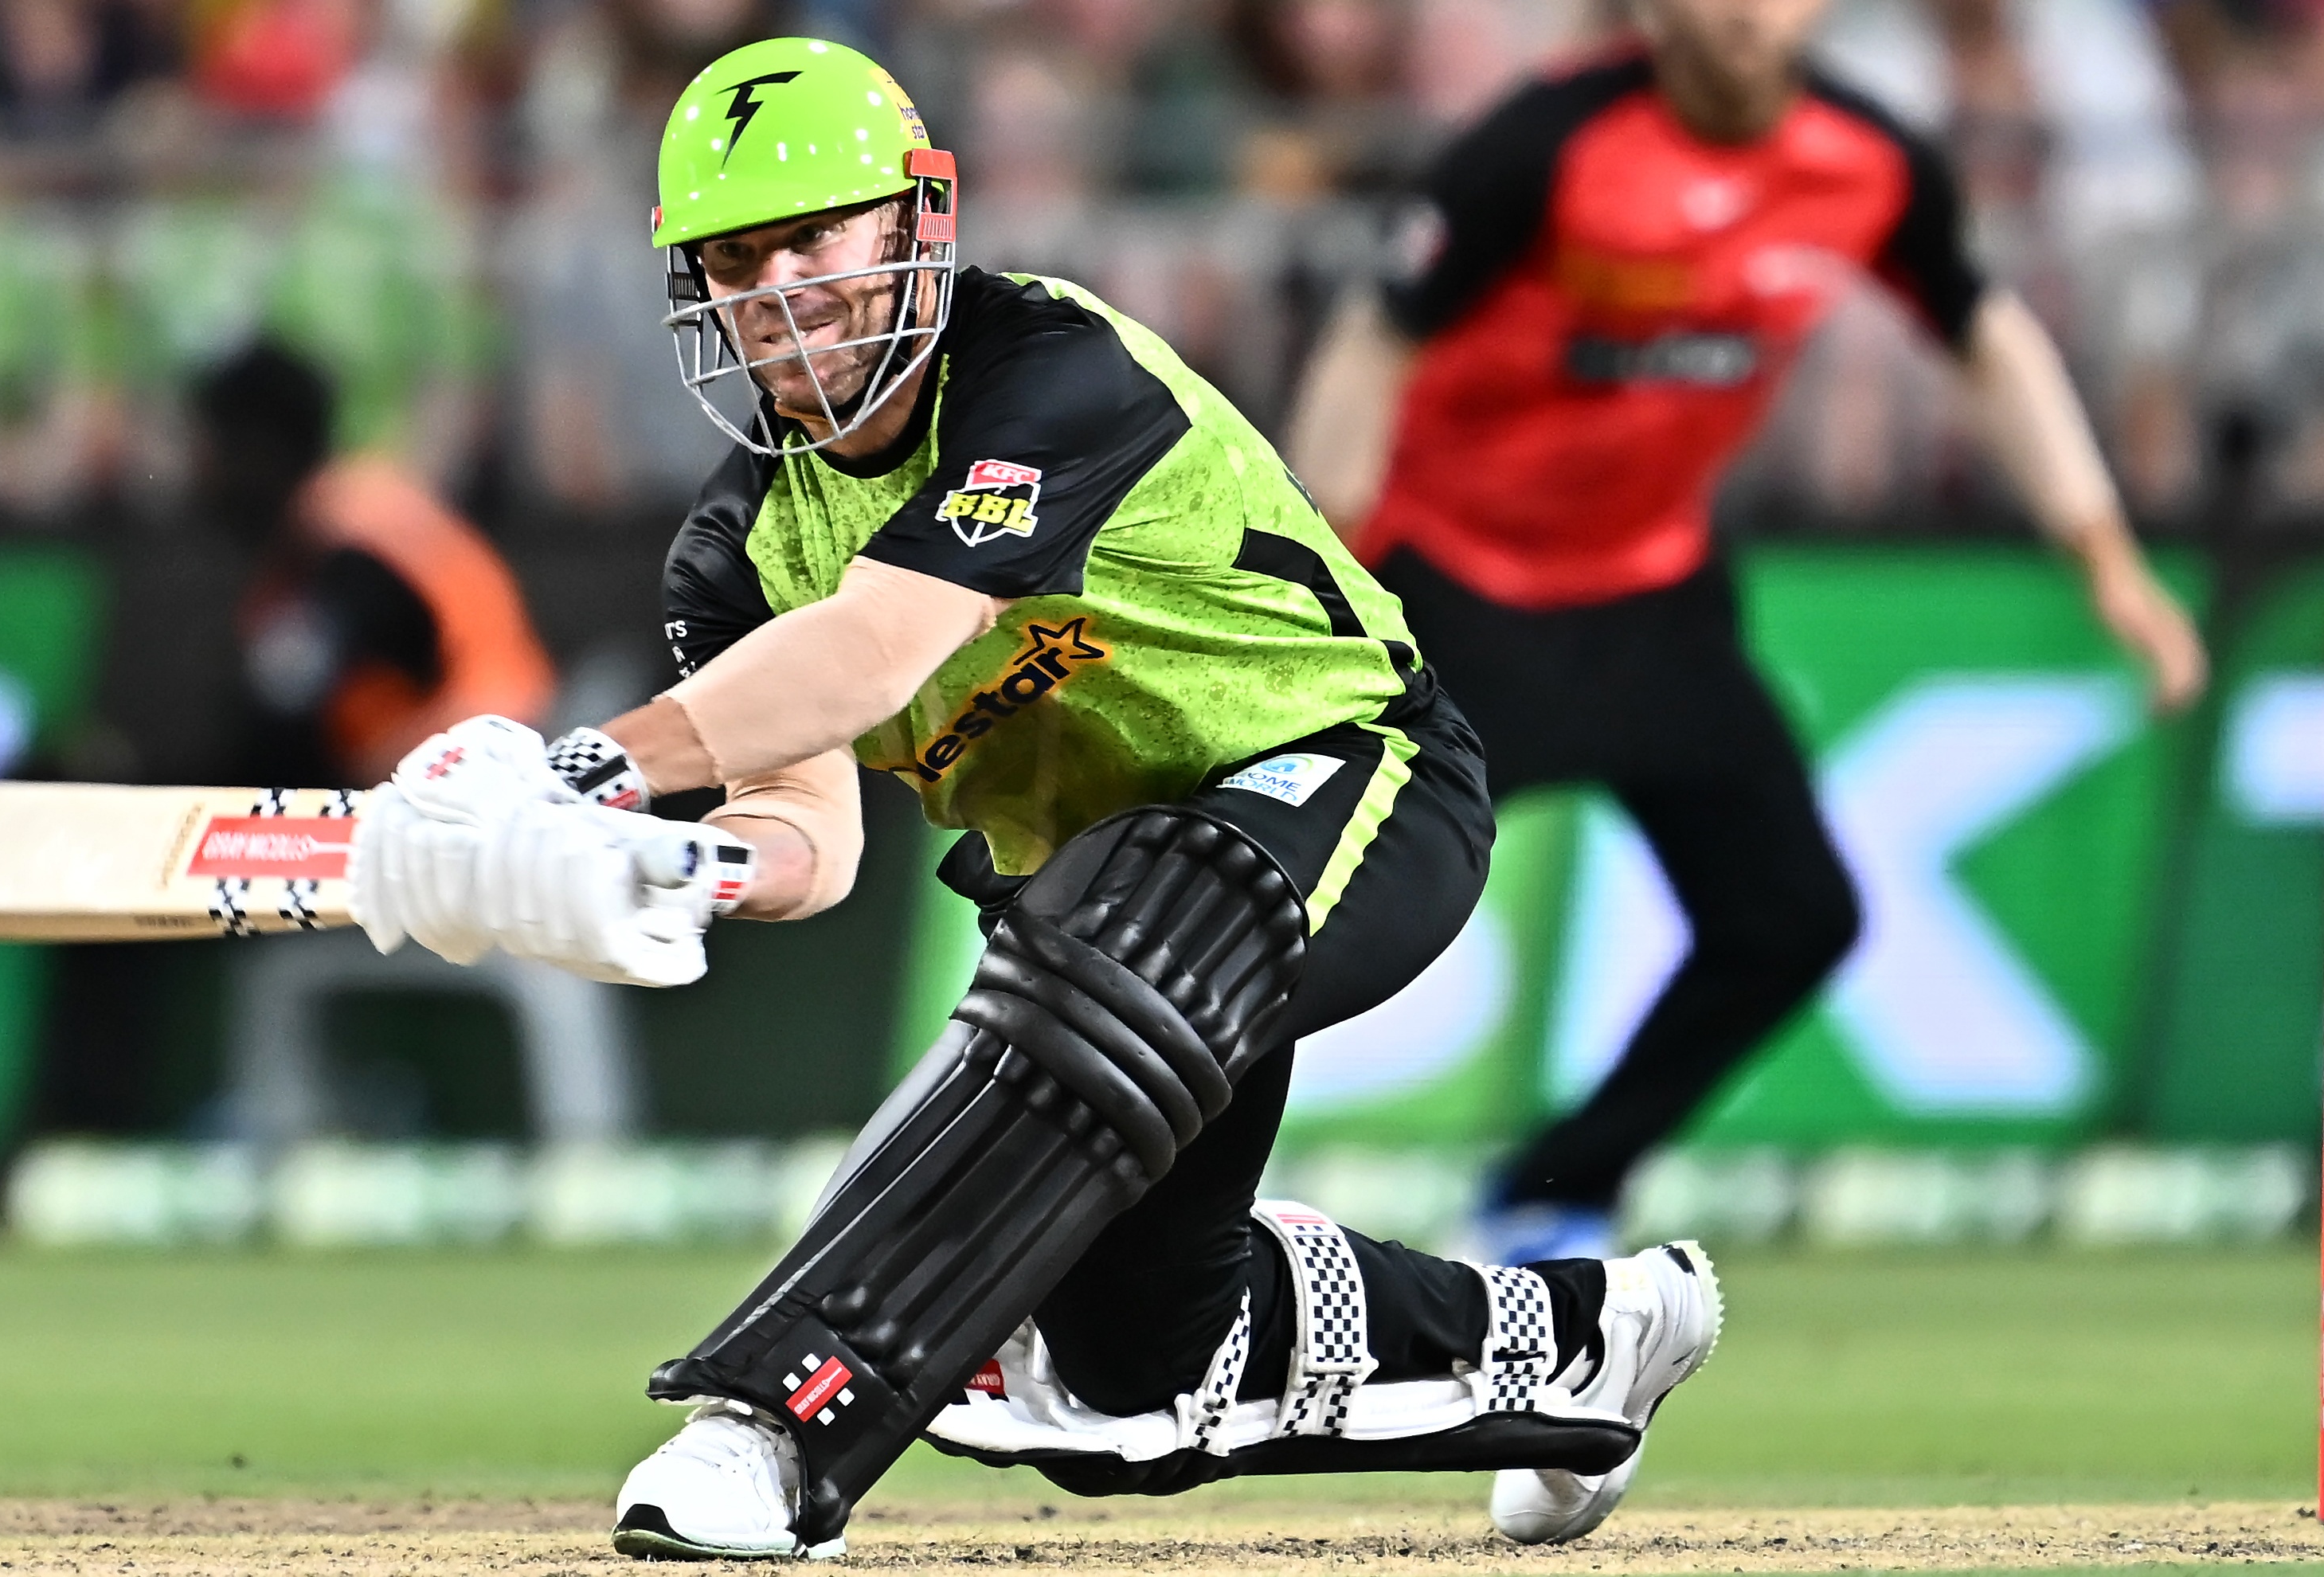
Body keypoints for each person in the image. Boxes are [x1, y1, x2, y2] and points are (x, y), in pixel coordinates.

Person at [337, 37, 1720, 1560]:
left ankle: (776, 1428)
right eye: (735, 259)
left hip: (1352, 780)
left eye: (815, 237)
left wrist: (578, 764)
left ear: (920, 221)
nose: (779, 290)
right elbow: (810, 838)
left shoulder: (1050, 369)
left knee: (1113, 925)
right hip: (1122, 921)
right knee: (1134, 1382)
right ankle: (1588, 1344)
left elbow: (876, 650)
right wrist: (656, 866)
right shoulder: (732, 554)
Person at [1284, 0, 2209, 1266]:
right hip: (1454, 594)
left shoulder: (1869, 158)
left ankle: (1553, 1193)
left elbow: (1985, 332)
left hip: (1654, 596)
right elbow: (1374, 342)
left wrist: (2107, 561)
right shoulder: (1546, 142)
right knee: (1305, 907)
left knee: (1791, 918)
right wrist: (1315, 579)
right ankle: (1139, 1204)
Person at [190, 339, 555, 788]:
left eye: (210, 447)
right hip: (477, 752)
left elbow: (286, 697)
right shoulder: (347, 511)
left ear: (258, 445)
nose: (201, 473)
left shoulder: (347, 535)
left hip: (495, 759)